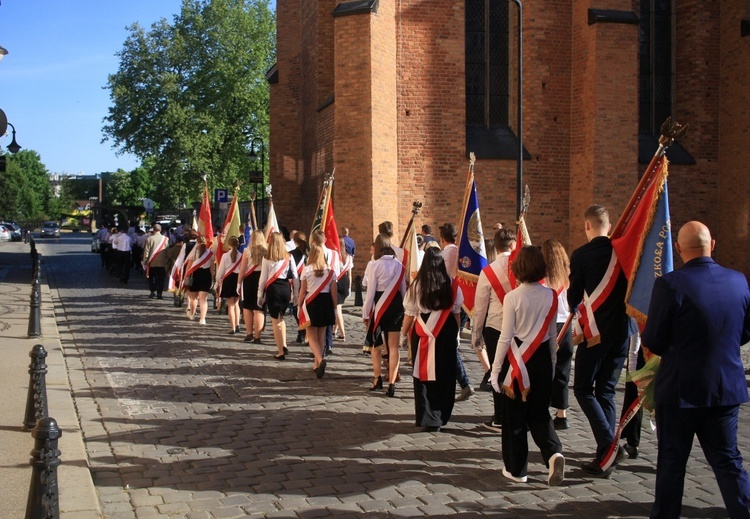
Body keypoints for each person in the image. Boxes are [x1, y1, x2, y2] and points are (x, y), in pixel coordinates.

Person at [642, 221, 750, 519]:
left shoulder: (670, 284)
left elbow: (653, 339)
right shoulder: (739, 280)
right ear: (712, 244)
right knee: (729, 463)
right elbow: (744, 332)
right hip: (725, 387)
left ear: (678, 249)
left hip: (680, 390)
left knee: (672, 464)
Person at [490, 246, 565, 486]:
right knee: (540, 413)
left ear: (518, 268)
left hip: (517, 362)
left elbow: (505, 336)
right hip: (542, 359)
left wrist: (494, 370)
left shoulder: (512, 297)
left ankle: (517, 469)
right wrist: (552, 365)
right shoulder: (552, 295)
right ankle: (553, 453)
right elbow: (553, 336)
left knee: (515, 418)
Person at [568, 204, 630, 477]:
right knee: (606, 390)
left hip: (594, 334)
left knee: (583, 388)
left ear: (587, 226)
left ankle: (609, 444)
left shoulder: (581, 255)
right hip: (622, 332)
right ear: (609, 223)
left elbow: (572, 298)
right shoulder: (624, 252)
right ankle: (605, 455)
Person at [400, 246, 463, 432]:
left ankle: (427, 416)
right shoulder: (451, 284)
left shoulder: (417, 285)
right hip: (446, 332)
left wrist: (403, 334)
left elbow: (409, 314)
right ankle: (442, 414)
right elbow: (456, 313)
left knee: (423, 375)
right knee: (445, 373)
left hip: (423, 333)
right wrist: (457, 335)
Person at [471, 228, 516, 433]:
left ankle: (499, 416)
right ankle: (518, 412)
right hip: (520, 327)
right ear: (513, 245)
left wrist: (476, 334)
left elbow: (480, 307)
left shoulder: (488, 272)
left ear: (495, 247)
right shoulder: (522, 266)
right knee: (517, 370)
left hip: (496, 327)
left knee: (497, 371)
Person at [363, 233, 406, 397]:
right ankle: (392, 382)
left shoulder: (375, 265)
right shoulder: (399, 265)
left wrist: (366, 313)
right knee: (394, 347)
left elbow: (370, 292)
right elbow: (403, 292)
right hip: (395, 306)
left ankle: (377, 379)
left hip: (380, 306)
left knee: (376, 345)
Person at [438, 222, 475, 403]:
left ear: (443, 239)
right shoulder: (461, 250)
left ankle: (464, 383)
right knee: (450, 346)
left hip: (450, 300)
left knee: (450, 347)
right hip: (462, 298)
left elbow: (442, 275)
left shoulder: (447, 252)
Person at [541, 239, 574, 431]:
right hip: (566, 324)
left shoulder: (543, 278)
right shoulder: (568, 277)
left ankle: (543, 407)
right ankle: (562, 413)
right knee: (563, 369)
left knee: (546, 369)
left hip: (549, 325)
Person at [298, 242, 338, 375]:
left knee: (311, 335)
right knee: (321, 335)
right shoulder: (331, 271)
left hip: (312, 303)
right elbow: (333, 292)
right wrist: (334, 309)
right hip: (326, 302)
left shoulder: (307, 269)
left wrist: (298, 306)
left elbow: (303, 291)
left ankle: (320, 360)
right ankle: (317, 364)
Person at [258, 232, 298, 359]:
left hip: (273, 289)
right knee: (281, 318)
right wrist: (296, 294)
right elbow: (296, 277)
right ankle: (284, 344)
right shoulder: (289, 257)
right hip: (285, 288)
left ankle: (280, 351)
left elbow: (263, 278)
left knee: (275, 320)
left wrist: (260, 294)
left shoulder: (266, 258)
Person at [238, 230, 267, 343]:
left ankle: (249, 333)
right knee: (258, 308)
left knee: (247, 307)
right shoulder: (267, 251)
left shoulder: (247, 250)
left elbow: (242, 269)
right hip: (262, 279)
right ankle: (257, 336)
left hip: (249, 280)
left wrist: (239, 283)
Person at [184, 235, 214, 325]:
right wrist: (213, 278)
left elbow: (189, 266)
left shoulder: (194, 253)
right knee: (203, 299)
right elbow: (212, 268)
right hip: (206, 276)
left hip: (195, 275)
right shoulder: (210, 253)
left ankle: (192, 314)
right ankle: (202, 319)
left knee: (193, 298)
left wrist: (186, 276)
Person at [216, 236, 243, 334]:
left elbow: (221, 270)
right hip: (238, 280)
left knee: (230, 305)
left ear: (229, 245)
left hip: (228, 280)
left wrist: (218, 280)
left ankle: (233, 327)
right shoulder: (241, 255)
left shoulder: (225, 256)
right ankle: (238, 324)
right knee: (236, 304)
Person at [142, 223, 169, 299]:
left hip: (152, 262)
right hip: (162, 262)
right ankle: (159, 293)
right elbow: (167, 251)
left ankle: (152, 290)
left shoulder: (149, 239)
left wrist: (145, 261)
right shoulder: (166, 239)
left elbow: (146, 251)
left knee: (150, 277)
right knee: (161, 278)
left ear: (153, 230)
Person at [334, 236, 353, 341]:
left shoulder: (336, 256)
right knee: (339, 306)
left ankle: (342, 333)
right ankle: (334, 330)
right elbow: (350, 274)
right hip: (345, 281)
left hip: (337, 281)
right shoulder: (349, 257)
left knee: (338, 310)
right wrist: (349, 287)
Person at [290, 231, 308, 344]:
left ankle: (302, 332)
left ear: (294, 241)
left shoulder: (291, 254)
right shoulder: (309, 253)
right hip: (309, 284)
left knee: (297, 310)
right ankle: (302, 333)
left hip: (297, 284)